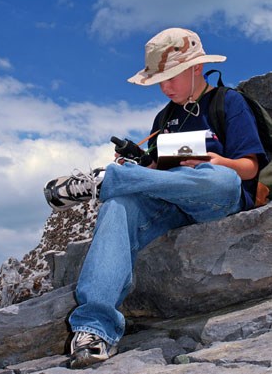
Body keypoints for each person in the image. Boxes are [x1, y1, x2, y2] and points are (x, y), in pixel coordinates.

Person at [43, 28, 268, 369]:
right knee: (119, 205)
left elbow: (249, 169)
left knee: (220, 178)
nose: (165, 88)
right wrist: (140, 167)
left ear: (197, 68)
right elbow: (155, 169)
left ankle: (104, 180)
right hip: (169, 200)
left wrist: (219, 161)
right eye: (159, 81)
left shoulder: (228, 102)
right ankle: (94, 330)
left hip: (215, 196)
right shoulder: (164, 119)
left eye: (171, 77)